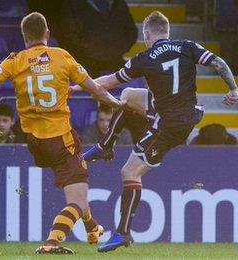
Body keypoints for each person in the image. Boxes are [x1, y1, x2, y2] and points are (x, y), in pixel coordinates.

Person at [0, 12, 124, 254]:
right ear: (47, 34)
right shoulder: (62, 56)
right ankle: (51, 243)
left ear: (24, 37)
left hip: (34, 142)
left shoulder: (14, 61)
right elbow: (97, 90)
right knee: (77, 199)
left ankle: (92, 227)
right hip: (61, 138)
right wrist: (118, 103)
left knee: (79, 178)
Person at [77, 11, 238, 252]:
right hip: (187, 113)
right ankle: (106, 146)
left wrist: (78, 85)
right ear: (167, 31)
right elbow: (219, 63)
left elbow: (110, 81)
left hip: (169, 125)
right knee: (129, 96)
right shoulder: (187, 45)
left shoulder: (145, 56)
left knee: (130, 171)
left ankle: (122, 233)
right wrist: (233, 89)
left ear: (147, 33)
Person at [58, 0, 137, 77]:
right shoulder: (74, 4)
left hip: (116, 64)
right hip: (88, 68)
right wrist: (89, 53)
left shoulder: (118, 3)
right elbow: (69, 35)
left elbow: (131, 30)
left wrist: (119, 49)